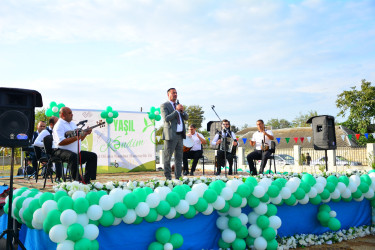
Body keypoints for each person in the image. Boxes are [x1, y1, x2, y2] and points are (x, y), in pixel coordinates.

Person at [52, 107, 97, 184]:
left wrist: (85, 133)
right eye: (69, 113)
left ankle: (87, 180)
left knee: (92, 156)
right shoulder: (58, 126)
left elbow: (80, 139)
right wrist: (76, 138)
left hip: (74, 151)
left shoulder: (73, 124)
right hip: (59, 151)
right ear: (63, 114)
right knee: (72, 157)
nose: (72, 114)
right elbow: (61, 142)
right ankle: (77, 180)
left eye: (71, 113)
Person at [160, 88, 189, 180]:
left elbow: (186, 118)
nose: (175, 94)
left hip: (180, 135)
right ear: (168, 94)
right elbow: (166, 118)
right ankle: (168, 177)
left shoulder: (178, 105)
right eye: (173, 93)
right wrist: (176, 111)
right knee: (167, 157)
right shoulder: (164, 105)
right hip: (170, 135)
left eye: (176, 93)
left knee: (179, 158)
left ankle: (178, 177)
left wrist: (182, 111)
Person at [33, 116, 63, 182]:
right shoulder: (45, 132)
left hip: (56, 151)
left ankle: (74, 176)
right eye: (57, 123)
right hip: (47, 153)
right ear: (52, 124)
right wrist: (48, 145)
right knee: (58, 157)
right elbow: (36, 143)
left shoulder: (59, 131)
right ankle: (58, 177)